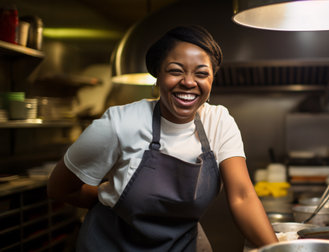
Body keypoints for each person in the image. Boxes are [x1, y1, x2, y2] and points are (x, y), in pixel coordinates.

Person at [47, 25, 278, 251]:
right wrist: (112, 199)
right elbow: (60, 187)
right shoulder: (120, 124)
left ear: (211, 80)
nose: (189, 82)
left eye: (201, 74)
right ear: (157, 76)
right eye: (176, 70)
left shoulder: (219, 122)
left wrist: (278, 250)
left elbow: (242, 197)